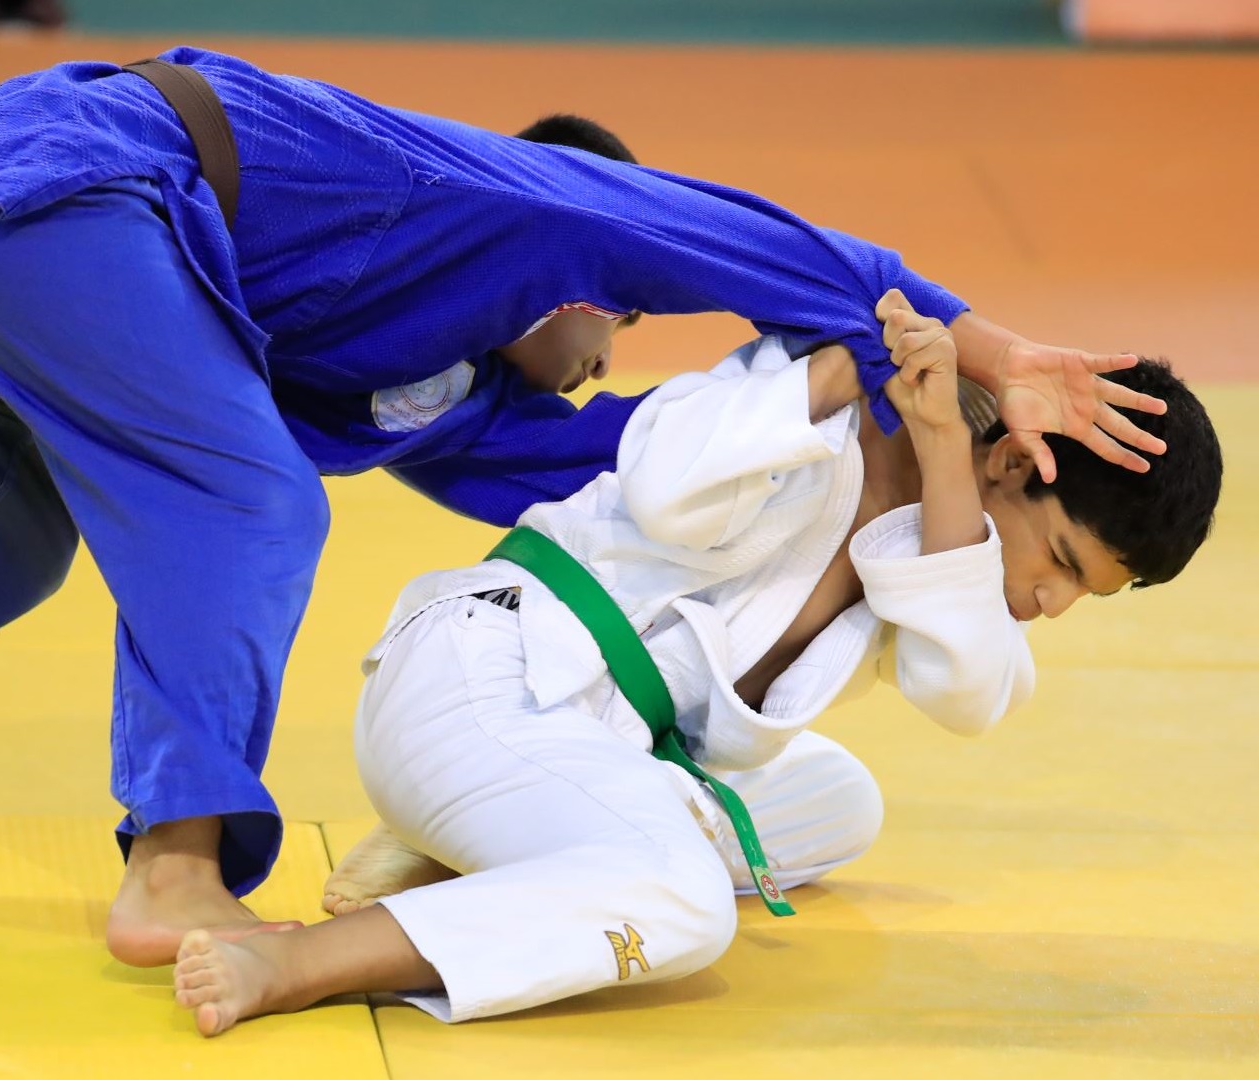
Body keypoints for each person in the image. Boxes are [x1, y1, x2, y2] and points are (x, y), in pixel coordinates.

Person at [0, 47, 1166, 970]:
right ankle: (176, 859)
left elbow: (611, 483)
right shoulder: (517, 204)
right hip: (58, 179)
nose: (591, 368)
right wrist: (979, 347)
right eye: (600, 337)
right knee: (253, 506)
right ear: (575, 273)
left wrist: (864, 474)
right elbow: (733, 238)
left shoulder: (439, 391)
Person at [170, 292, 1221, 1034]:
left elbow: (970, 694)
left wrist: (946, 457)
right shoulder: (819, 404)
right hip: (482, 681)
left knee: (838, 803)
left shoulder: (942, 534)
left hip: (586, 744)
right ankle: (302, 961)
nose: (1049, 601)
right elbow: (665, 485)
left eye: (1087, 594)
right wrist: (841, 371)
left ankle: (479, 851)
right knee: (684, 903)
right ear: (1016, 460)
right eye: (1062, 562)